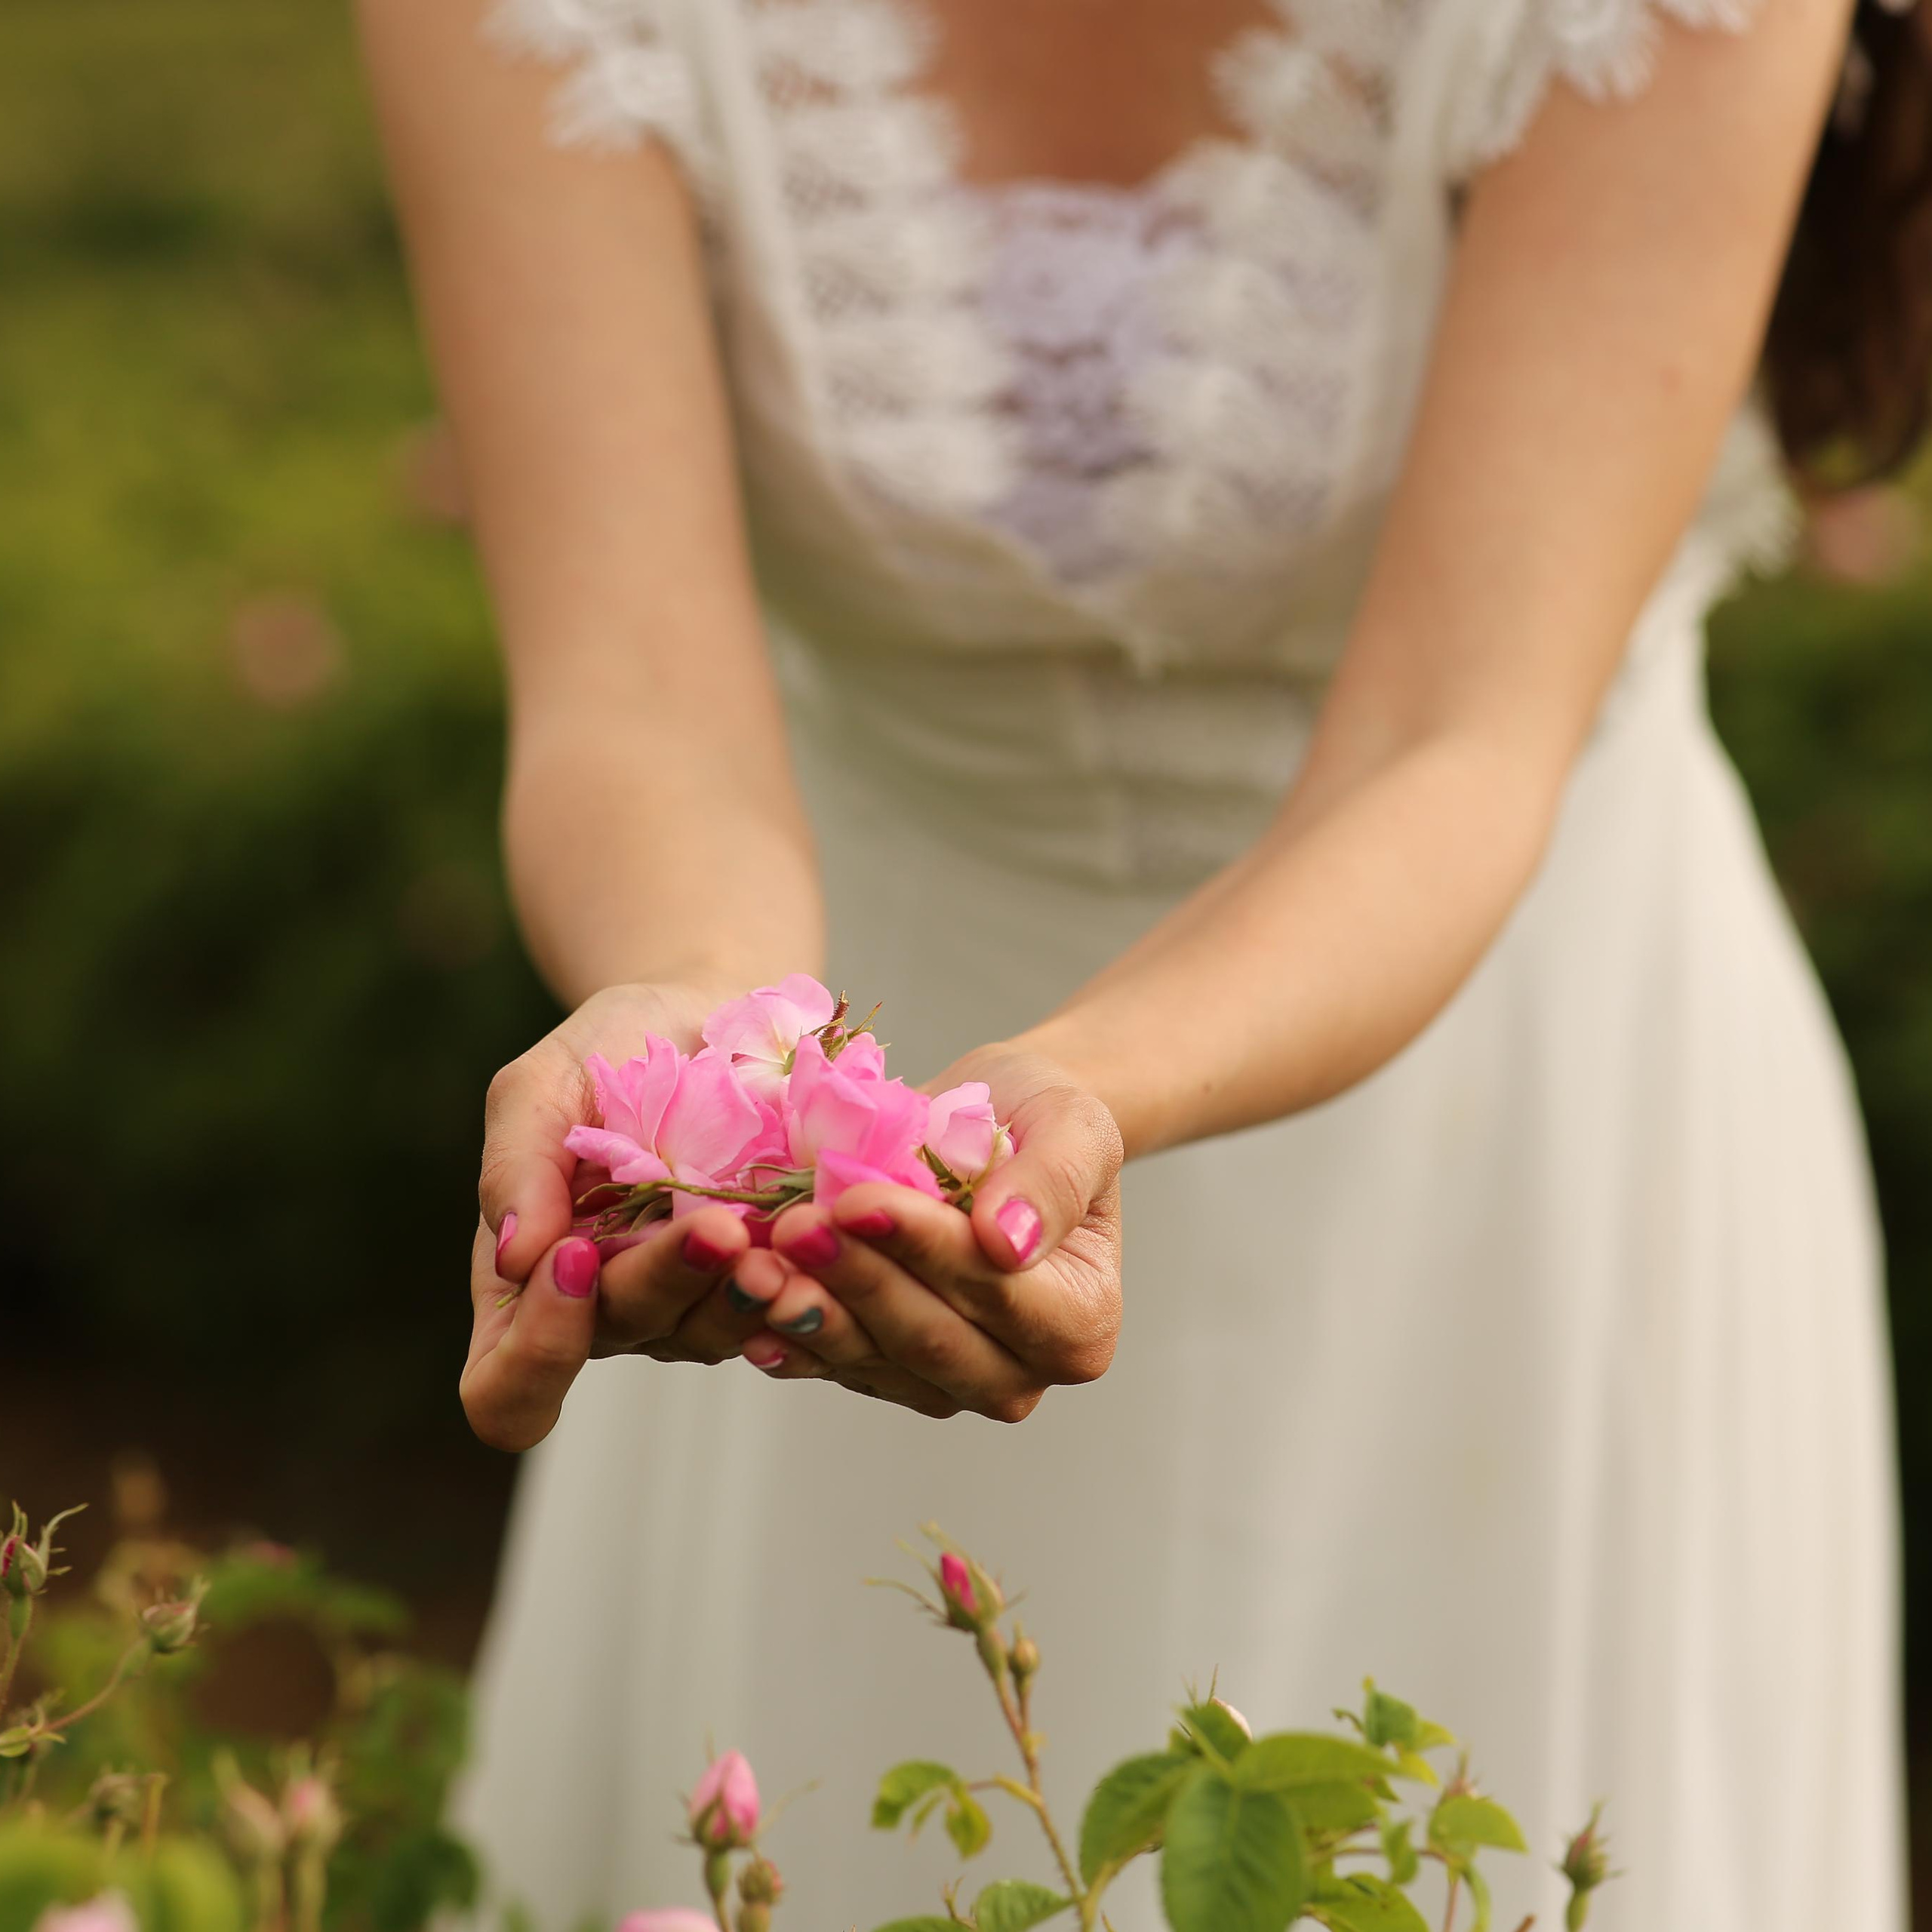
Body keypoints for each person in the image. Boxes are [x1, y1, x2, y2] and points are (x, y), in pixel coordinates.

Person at [358, 1, 1915, 1924]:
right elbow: (633, 693)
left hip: (1519, 1129)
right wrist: (717, 1032)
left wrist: (1083, 1087)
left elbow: (1457, 730)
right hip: (849, 1118)